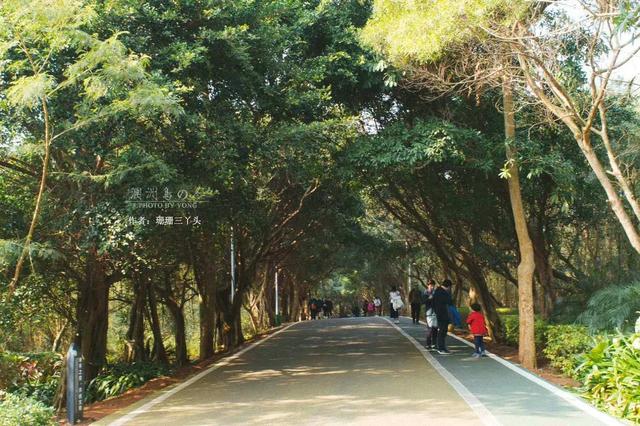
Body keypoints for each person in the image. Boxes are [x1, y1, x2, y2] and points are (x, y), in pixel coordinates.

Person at [432, 279, 453, 354]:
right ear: (448, 286)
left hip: (440, 313)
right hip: (442, 314)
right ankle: (441, 348)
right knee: (442, 331)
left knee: (443, 331)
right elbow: (449, 301)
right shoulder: (443, 292)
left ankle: (443, 347)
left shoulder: (437, 291)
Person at [424, 279, 438, 350]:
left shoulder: (436, 293)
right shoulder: (425, 293)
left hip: (436, 312)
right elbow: (423, 301)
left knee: (435, 329)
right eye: (430, 285)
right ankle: (428, 344)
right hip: (429, 313)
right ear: (428, 285)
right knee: (430, 329)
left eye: (433, 285)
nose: (432, 287)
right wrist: (429, 298)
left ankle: (434, 344)